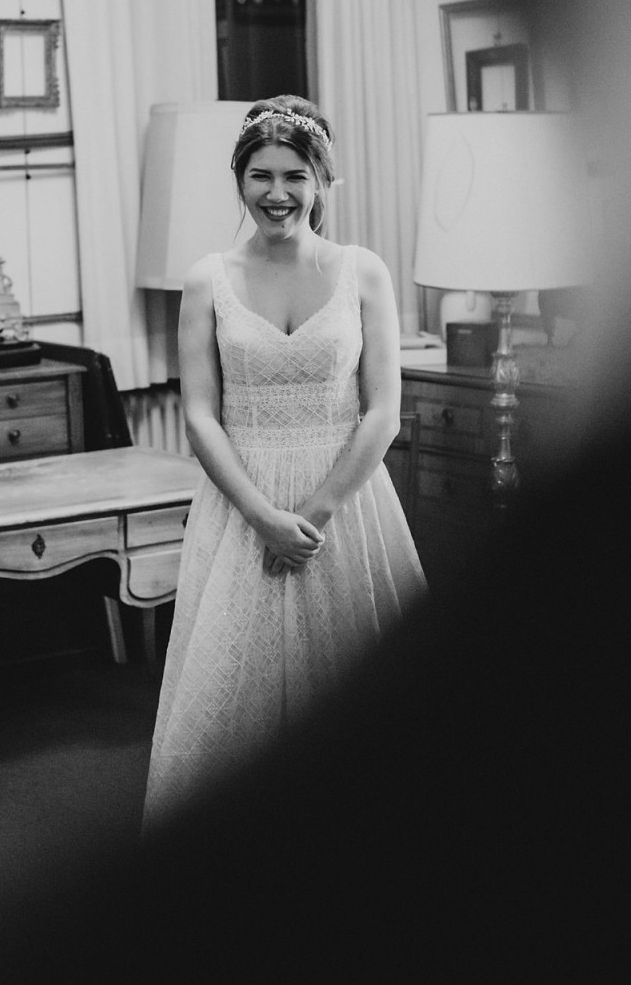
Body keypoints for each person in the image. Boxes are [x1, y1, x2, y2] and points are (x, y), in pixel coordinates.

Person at [142, 94, 426, 828]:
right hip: (243, 503)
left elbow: (383, 412)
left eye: (295, 175)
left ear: (322, 179)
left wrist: (316, 512)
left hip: (347, 502)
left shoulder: (364, 272)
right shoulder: (208, 279)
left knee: (360, 694)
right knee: (231, 695)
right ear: (239, 180)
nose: (277, 193)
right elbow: (200, 414)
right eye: (260, 175)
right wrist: (263, 516)